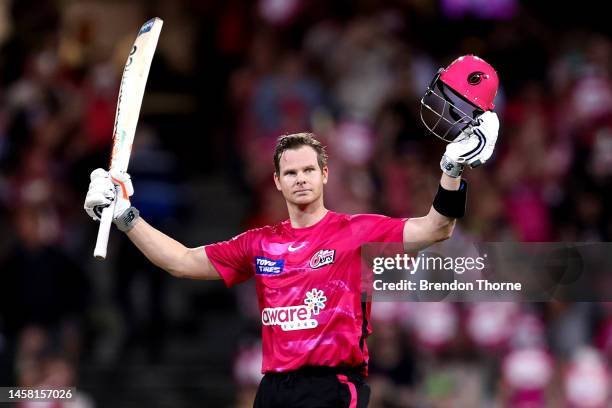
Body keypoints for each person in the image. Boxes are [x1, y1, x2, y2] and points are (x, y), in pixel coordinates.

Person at [84, 55, 500, 408]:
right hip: (274, 390)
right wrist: (125, 215)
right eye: (290, 172)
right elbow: (179, 261)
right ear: (277, 182)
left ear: (323, 175)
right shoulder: (258, 243)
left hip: (333, 387)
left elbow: (436, 228)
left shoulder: (356, 231)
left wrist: (452, 169)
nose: (300, 179)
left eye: (307, 171)